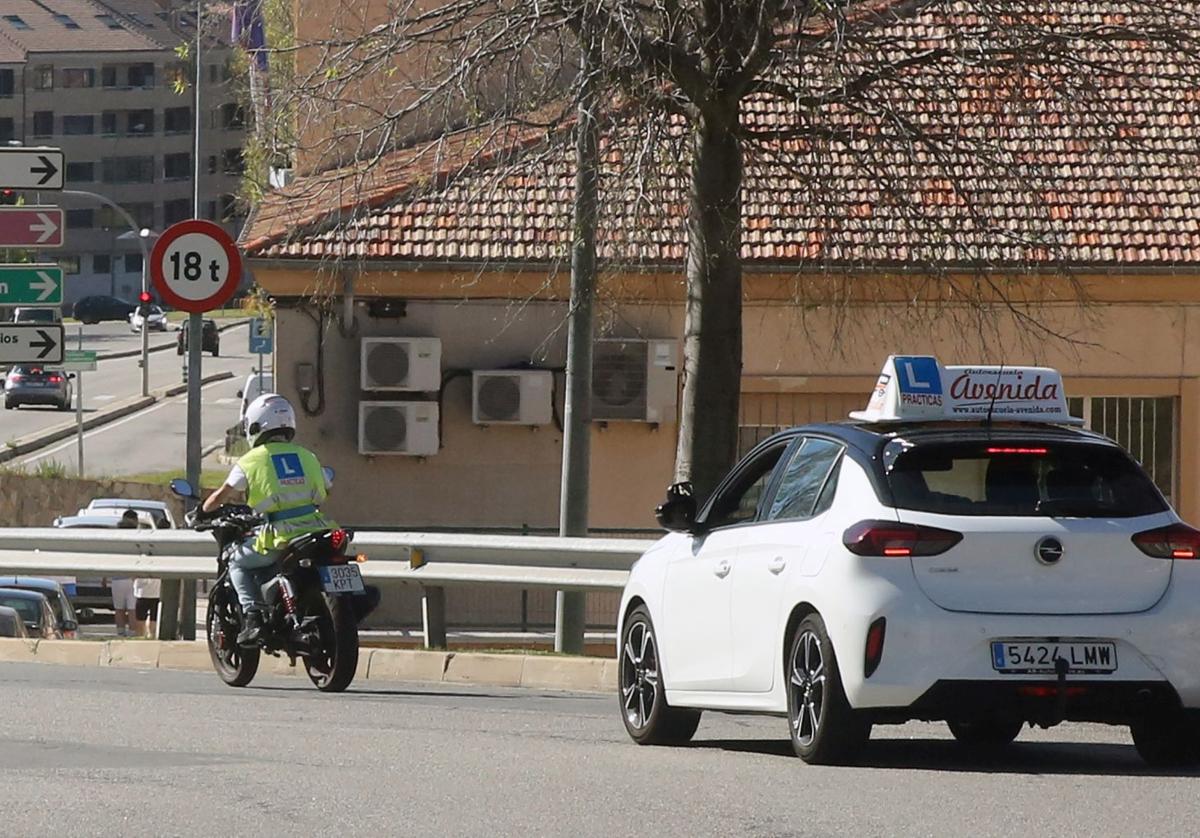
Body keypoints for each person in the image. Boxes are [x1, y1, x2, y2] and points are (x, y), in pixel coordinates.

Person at [201, 393, 334, 647]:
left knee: (237, 563)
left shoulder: (251, 460)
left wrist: (204, 510)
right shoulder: (307, 455)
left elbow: (221, 495)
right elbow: (326, 490)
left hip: (279, 533)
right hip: (319, 528)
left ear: (255, 426)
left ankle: (253, 618)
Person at [110, 509, 140, 637]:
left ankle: (120, 632)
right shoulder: (137, 539)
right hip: (133, 579)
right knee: (132, 609)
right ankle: (133, 632)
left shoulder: (116, 541)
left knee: (119, 609)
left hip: (117, 579)